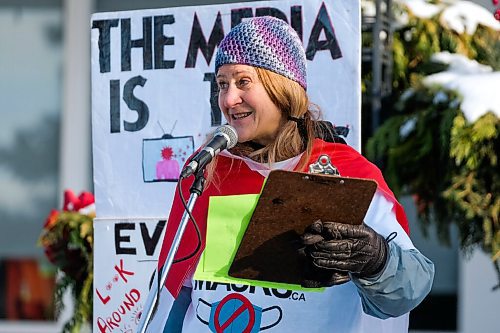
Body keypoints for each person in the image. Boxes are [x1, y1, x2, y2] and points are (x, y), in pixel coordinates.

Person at [157, 16, 434, 333]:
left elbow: (410, 288)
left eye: (243, 82)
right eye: (222, 84)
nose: (229, 99)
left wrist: (377, 261)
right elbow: (173, 298)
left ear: (282, 88)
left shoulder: (344, 173)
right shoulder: (210, 171)